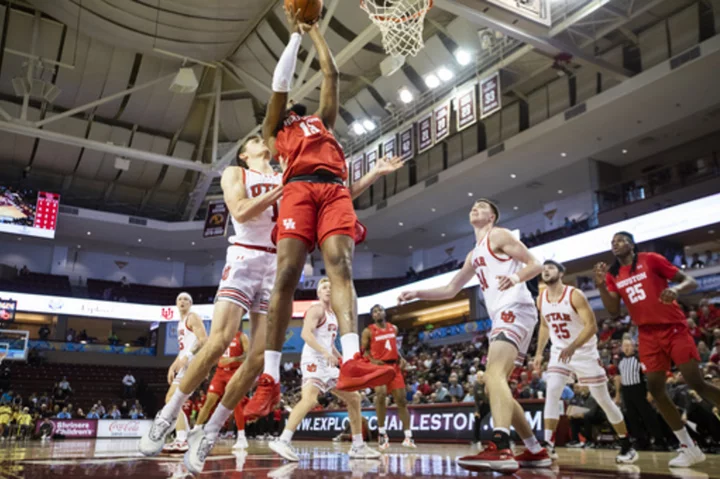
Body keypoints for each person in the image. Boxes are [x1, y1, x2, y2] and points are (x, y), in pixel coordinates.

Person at [243, 6, 401, 422]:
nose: (292, 101)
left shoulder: (321, 121)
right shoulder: (275, 130)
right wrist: (294, 36)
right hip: (297, 189)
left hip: (334, 190)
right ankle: (270, 379)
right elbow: (279, 85)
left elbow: (331, 76)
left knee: (341, 266)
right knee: (287, 274)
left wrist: (315, 32)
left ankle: (352, 361)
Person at [140, 65, 283, 466]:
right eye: (258, 142)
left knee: (256, 361)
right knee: (218, 341)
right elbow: (238, 209)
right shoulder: (236, 172)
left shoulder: (285, 175)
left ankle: (211, 431)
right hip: (244, 258)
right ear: (246, 152)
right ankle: (168, 415)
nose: (265, 146)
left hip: (276, 268)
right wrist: (280, 190)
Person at [398, 199, 549, 473]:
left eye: (481, 206)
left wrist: (516, 279)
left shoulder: (499, 235)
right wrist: (417, 293)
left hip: (515, 307)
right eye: (472, 206)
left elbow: (535, 264)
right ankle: (536, 451)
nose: (474, 208)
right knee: (496, 385)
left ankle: (502, 445)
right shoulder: (473, 254)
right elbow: (450, 289)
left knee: (493, 376)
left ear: (492, 216)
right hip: (504, 314)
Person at [594, 231, 720, 467]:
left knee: (696, 382)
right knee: (655, 390)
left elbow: (689, 280)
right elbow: (613, 311)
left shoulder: (650, 259)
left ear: (632, 245)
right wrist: (601, 286)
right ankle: (689, 447)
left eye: (620, 240)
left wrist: (677, 290)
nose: (615, 244)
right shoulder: (613, 274)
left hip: (673, 327)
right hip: (647, 334)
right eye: (612, 242)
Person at [533, 260, 637, 463]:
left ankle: (627, 444)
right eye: (544, 269)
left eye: (551, 268)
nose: (546, 271)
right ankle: (548, 445)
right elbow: (545, 326)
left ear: (561, 273)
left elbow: (591, 326)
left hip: (584, 353)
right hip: (559, 352)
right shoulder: (541, 298)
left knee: (603, 399)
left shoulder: (574, 295)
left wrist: (572, 346)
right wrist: (538, 353)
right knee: (552, 391)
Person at [268, 278, 381, 461]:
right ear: (318, 293)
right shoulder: (316, 309)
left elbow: (328, 343)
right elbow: (305, 334)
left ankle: (358, 446)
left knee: (354, 397)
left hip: (327, 362)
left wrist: (340, 358)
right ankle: (283, 440)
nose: (328, 290)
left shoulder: (333, 314)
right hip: (313, 359)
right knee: (310, 399)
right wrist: (324, 352)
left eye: (331, 287)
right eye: (324, 287)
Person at [142, 292, 206, 454]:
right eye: (179, 299)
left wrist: (189, 356)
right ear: (176, 303)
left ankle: (182, 439)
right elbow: (184, 349)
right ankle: (182, 438)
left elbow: (203, 339)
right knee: (171, 400)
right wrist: (173, 365)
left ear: (190, 304)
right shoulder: (180, 323)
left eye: (186, 299)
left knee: (172, 400)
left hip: (194, 363)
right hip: (186, 364)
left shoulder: (193, 317)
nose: (182, 301)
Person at [361, 304, 415, 450]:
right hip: (379, 367)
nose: (378, 313)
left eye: (380, 310)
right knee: (381, 394)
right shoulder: (368, 331)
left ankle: (408, 436)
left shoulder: (394, 328)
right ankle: (382, 434)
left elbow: (393, 347)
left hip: (394, 367)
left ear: (385, 313)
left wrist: (401, 358)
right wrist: (372, 362)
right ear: (372, 316)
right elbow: (364, 352)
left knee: (402, 401)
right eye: (375, 312)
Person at [195, 330, 250, 450]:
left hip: (234, 372)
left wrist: (233, 359)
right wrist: (207, 369)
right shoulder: (221, 335)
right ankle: (196, 430)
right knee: (209, 402)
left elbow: (248, 355)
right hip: (220, 373)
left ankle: (241, 437)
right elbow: (213, 355)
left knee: (236, 404)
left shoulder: (241, 336)